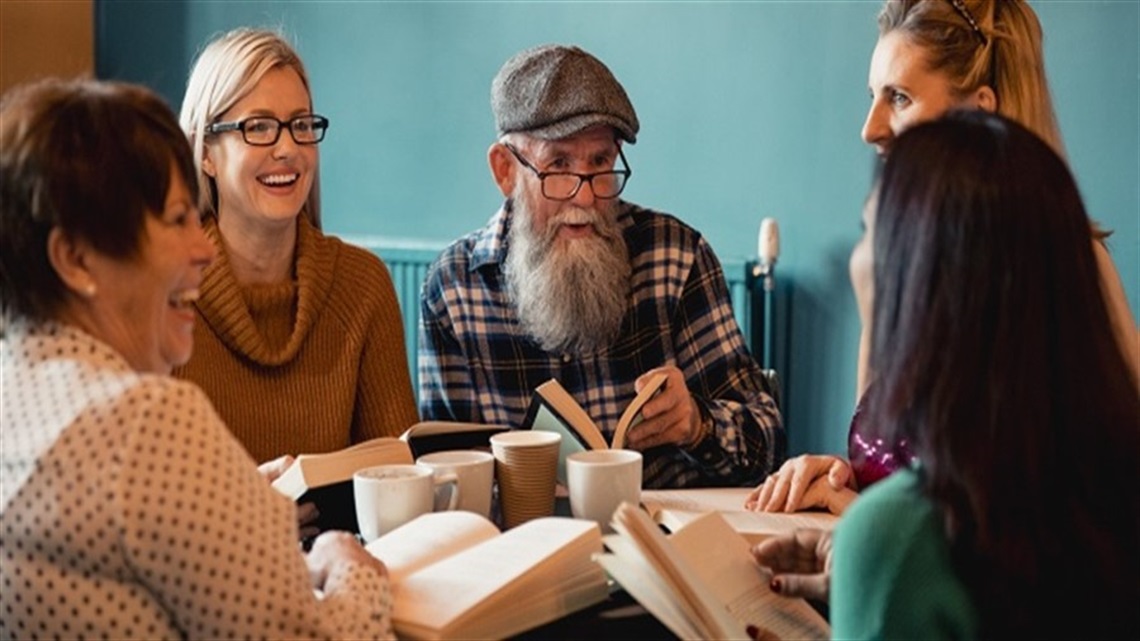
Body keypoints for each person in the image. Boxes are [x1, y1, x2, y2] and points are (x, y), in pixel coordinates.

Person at [0, 78, 394, 639]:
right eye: (176, 219)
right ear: (75, 259)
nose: (203, 249)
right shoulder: (145, 422)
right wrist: (350, 568)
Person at [747, 0, 1139, 515]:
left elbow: (1074, 519)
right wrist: (838, 482)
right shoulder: (891, 274)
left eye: (900, 98)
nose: (870, 128)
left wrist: (863, 525)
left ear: (977, 111)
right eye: (872, 98)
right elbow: (890, 495)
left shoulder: (1072, 269)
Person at [791, 111, 1137, 638]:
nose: (855, 260)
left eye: (869, 233)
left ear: (918, 277)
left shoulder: (900, 535)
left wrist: (879, 568)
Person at [418, 44, 784, 488]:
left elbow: (770, 440)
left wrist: (698, 424)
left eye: (600, 163)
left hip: (661, 543)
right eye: (559, 164)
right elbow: (443, 475)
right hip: (522, 546)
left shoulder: (677, 256)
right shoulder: (453, 290)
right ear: (505, 171)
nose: (586, 197)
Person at [175, 27, 418, 465]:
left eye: (301, 125)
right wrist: (249, 503)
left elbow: (399, 474)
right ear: (204, 151)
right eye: (259, 127)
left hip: (346, 537)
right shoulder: (164, 296)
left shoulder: (363, 286)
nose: (288, 148)